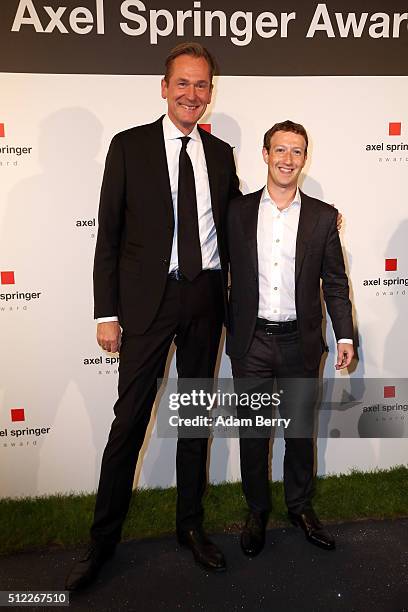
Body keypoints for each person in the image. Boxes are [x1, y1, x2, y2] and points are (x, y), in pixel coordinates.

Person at [65, 42, 241, 591]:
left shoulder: (220, 154)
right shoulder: (129, 147)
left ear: (211, 94)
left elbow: (239, 222)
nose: (193, 94)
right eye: (183, 83)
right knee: (128, 424)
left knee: (193, 422)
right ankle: (102, 543)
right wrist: (105, 312)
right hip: (146, 304)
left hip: (205, 301)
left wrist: (313, 218)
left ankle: (190, 528)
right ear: (164, 88)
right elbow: (108, 238)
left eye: (202, 85)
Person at [226, 120, 354, 557]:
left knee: (299, 433)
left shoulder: (321, 217)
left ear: (305, 157)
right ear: (265, 154)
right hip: (252, 343)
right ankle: (257, 511)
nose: (287, 159)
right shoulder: (236, 211)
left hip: (301, 344)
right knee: (254, 434)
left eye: (296, 152)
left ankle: (299, 507)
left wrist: (346, 336)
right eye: (279, 150)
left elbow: (335, 283)